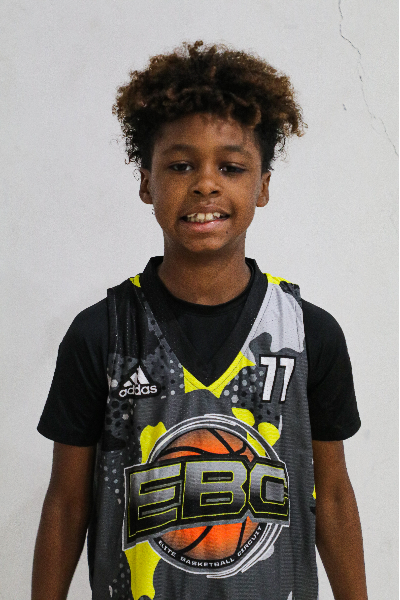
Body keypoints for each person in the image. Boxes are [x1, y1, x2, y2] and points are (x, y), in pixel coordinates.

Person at [32, 40, 368, 600]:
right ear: (147, 182)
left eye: (230, 167)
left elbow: (331, 497)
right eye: (181, 165)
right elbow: (67, 503)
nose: (206, 183)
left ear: (262, 185)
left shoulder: (309, 335)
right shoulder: (102, 335)